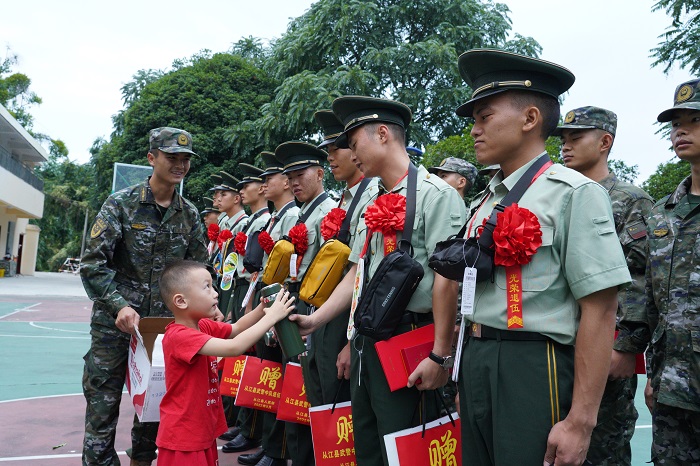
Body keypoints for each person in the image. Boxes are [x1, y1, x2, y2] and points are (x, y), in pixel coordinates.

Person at [453, 49, 631, 466]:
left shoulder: (574, 193)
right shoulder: (485, 201)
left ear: (530, 119)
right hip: (478, 359)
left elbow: (601, 309)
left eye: (485, 117)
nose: (475, 130)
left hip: (534, 365)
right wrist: (465, 371)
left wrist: (581, 421)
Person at [291, 96, 467, 466]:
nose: (352, 155)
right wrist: (319, 320)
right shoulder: (375, 197)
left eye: (355, 144)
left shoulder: (438, 196)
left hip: (412, 342)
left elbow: (448, 282)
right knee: (368, 446)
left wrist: (440, 354)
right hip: (369, 344)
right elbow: (359, 272)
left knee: (409, 445)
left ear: (383, 134)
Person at [80, 127, 218, 466]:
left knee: (155, 405)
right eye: (172, 157)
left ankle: (143, 460)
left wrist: (209, 311)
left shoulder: (189, 215)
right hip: (116, 324)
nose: (180, 165)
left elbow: (200, 270)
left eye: (185, 159)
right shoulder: (121, 204)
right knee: (103, 399)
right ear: (152, 158)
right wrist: (119, 305)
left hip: (163, 328)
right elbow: (92, 264)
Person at [554, 106, 653, 465]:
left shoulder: (629, 199)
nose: (565, 146)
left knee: (603, 447)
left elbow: (641, 277)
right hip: (560, 343)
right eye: (563, 139)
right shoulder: (559, 194)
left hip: (606, 347)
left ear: (604, 142)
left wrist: (627, 346)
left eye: (575, 137)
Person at [156, 260, 296, 466]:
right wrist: (271, 318)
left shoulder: (201, 325)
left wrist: (263, 308)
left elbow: (237, 328)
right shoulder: (179, 336)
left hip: (200, 431)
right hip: (184, 439)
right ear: (181, 301)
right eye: (207, 288)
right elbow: (234, 347)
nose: (215, 293)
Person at [646, 78, 700, 465]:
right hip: (673, 390)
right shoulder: (664, 213)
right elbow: (654, 300)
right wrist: (654, 375)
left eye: (693, 120)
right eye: (675, 122)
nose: (680, 130)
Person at [237, 151, 301, 466]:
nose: (264, 185)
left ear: (285, 182)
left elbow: (288, 271)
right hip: (265, 297)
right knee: (269, 375)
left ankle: (277, 450)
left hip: (278, 301)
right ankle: (268, 443)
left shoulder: (290, 216)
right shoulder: (277, 216)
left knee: (278, 375)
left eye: (268, 179)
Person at [276, 140, 337, 466]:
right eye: (290, 176)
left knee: (313, 391)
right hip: (295, 305)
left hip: (316, 309)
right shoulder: (302, 214)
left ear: (320, 172)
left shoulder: (329, 213)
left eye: (301, 174)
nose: (294, 182)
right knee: (295, 389)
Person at [313, 109, 379, 395]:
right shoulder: (345, 197)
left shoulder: (374, 193)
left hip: (352, 313)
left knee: (340, 401)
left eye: (335, 149)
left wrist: (352, 339)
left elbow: (362, 272)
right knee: (322, 391)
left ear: (355, 152)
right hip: (332, 304)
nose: (329, 157)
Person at [221, 163, 271, 455]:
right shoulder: (253, 221)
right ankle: (244, 423)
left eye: (245, 186)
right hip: (244, 289)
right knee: (244, 358)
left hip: (254, 290)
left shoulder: (260, 219)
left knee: (256, 360)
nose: (242, 190)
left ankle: (253, 430)